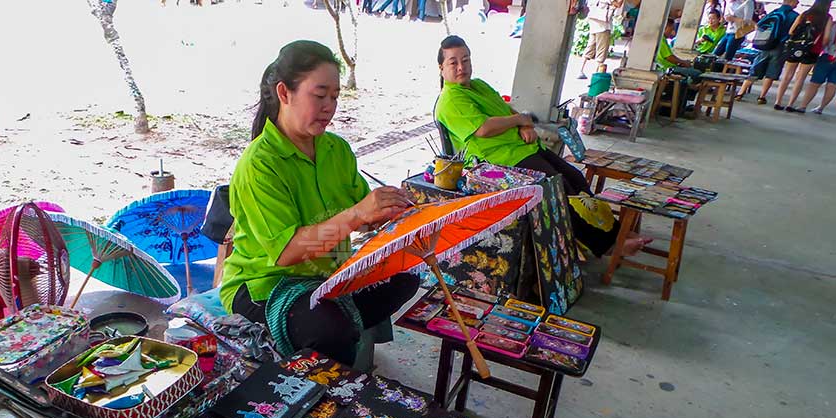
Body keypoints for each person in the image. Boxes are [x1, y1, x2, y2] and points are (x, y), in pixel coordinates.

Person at [220, 40, 420, 365]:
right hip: (265, 284)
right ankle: (328, 381)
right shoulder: (260, 163)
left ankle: (341, 323)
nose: (329, 106)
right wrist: (358, 214)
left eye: (336, 96)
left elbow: (364, 215)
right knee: (330, 332)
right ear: (285, 93)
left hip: (326, 275)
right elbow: (286, 252)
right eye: (320, 95)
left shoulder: (336, 150)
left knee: (407, 274)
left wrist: (391, 211)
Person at [433, 35, 651, 258]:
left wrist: (524, 124)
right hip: (495, 161)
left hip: (521, 147)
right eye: (454, 62)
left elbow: (506, 109)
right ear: (442, 68)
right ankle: (605, 245)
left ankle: (613, 232)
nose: (462, 67)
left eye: (466, 60)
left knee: (575, 177)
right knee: (558, 188)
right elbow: (483, 129)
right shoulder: (450, 99)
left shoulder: (478, 85)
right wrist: (521, 121)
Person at [735, 0, 799, 103]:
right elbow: (794, 32)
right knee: (771, 73)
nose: (798, 3)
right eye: (796, 1)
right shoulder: (795, 16)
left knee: (755, 70)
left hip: (765, 44)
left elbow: (759, 25)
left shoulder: (774, 12)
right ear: (790, 1)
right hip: (780, 46)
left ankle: (740, 93)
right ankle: (762, 96)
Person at [773, 0, 833, 112]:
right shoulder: (827, 18)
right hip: (812, 51)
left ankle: (778, 102)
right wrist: (819, 46)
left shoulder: (805, 14)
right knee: (800, 78)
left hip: (796, 48)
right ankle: (790, 104)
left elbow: (791, 31)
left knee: (787, 76)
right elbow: (825, 38)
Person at [794, 16, 836, 113]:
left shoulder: (833, 25)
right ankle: (821, 108)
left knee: (815, 83)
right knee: (832, 85)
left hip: (828, 55)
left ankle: (803, 106)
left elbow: (827, 39)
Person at [579, 0, 622, 79]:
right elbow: (618, 4)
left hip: (593, 18)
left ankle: (580, 70)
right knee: (602, 49)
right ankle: (596, 74)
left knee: (590, 46)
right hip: (602, 23)